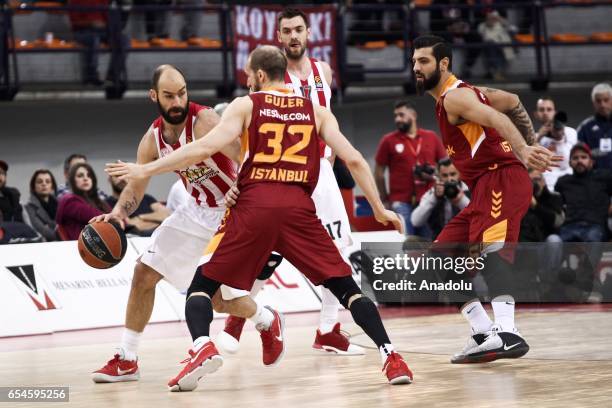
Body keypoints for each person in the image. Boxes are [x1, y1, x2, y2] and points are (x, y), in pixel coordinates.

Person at [106, 46, 413, 389]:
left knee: (203, 289)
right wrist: (378, 208)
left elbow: (207, 148)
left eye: (249, 74)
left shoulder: (245, 105)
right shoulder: (317, 111)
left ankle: (202, 345)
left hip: (251, 206)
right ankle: (391, 356)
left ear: (260, 76)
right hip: (296, 207)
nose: (246, 80)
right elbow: (354, 159)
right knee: (345, 288)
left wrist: (145, 168)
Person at [89, 65, 278, 383]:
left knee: (216, 300)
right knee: (143, 273)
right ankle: (127, 357)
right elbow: (137, 185)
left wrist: (244, 184)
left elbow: (245, 153)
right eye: (168, 95)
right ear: (154, 96)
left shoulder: (204, 120)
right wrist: (119, 213)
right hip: (196, 210)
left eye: (182, 93)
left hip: (231, 211)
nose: (177, 101)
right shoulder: (151, 139)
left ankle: (266, 319)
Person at [217, 8, 365, 357]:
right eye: (287, 31)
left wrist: (329, 151)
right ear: (278, 36)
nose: (294, 35)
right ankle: (239, 317)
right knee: (266, 250)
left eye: (299, 29)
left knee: (337, 250)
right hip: (283, 174)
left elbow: (327, 117)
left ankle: (328, 329)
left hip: (321, 174)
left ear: (309, 33)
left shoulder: (323, 71)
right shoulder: (269, 75)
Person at [411, 35, 559, 364]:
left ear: (443, 64)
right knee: (440, 261)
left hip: (500, 178)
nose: (416, 68)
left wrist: (524, 152)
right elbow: (513, 100)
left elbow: (500, 118)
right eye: (414, 62)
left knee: (493, 253)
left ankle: (507, 332)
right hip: (485, 186)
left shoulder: (454, 98)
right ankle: (483, 334)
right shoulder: (468, 93)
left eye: (423, 62)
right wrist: (532, 148)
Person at [375, 100, 446, 238]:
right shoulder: (388, 140)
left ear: (413, 115)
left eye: (401, 115)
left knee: (428, 241)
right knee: (408, 241)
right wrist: (384, 198)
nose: (397, 119)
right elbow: (379, 173)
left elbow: (446, 166)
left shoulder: (431, 137)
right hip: (401, 200)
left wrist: (435, 176)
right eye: (395, 116)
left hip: (427, 199)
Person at [555, 143, 612, 243]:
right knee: (553, 241)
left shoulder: (604, 177)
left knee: (592, 238)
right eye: (575, 158)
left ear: (591, 162)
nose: (579, 161)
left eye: (583, 157)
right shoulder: (563, 182)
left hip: (595, 227)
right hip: (569, 228)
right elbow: (555, 205)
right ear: (570, 163)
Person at [410, 158, 470, 239]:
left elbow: (478, 218)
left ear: (459, 173)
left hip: (464, 241)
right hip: (439, 242)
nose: (449, 179)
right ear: (439, 176)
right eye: (445, 175)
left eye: (452, 174)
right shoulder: (433, 193)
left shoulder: (468, 190)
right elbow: (415, 221)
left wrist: (461, 200)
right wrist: (434, 197)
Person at [56, 163, 110, 240]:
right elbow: (102, 219)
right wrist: (117, 218)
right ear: (72, 180)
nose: (85, 178)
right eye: (80, 176)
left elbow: (117, 219)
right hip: (79, 247)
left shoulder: (98, 201)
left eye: (89, 175)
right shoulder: (70, 201)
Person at [106, 175, 170, 236]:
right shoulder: (107, 203)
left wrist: (140, 217)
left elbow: (167, 215)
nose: (122, 178)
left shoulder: (146, 198)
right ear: (109, 178)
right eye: (117, 175)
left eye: (126, 175)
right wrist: (159, 222)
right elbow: (132, 226)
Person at [577, 83, 612, 169]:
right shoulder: (584, 127)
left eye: (606, 100)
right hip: (594, 178)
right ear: (594, 103)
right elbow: (577, 154)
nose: (602, 105)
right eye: (598, 101)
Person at [25, 169, 60, 242]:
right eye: (39, 182)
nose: (44, 184)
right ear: (33, 186)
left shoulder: (60, 204)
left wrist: (48, 225)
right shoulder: (29, 207)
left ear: (52, 186)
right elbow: (41, 230)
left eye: (47, 181)